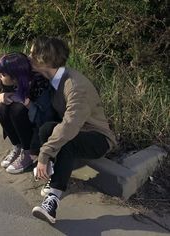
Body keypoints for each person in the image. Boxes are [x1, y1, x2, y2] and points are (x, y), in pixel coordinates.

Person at [29, 36, 118, 224]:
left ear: (43, 60)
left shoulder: (76, 86)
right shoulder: (50, 75)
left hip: (98, 138)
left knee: (67, 141)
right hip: (77, 130)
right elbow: (12, 63)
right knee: (47, 130)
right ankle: (54, 172)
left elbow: (69, 126)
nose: (29, 57)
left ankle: (52, 200)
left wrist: (44, 155)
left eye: (32, 53)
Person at [0, 52, 56, 174]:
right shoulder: (14, 77)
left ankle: (28, 152)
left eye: (2, 74)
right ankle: (18, 146)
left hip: (41, 125)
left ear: (15, 78)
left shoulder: (40, 85)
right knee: (2, 107)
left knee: (18, 109)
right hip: (26, 119)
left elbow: (45, 118)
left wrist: (26, 102)